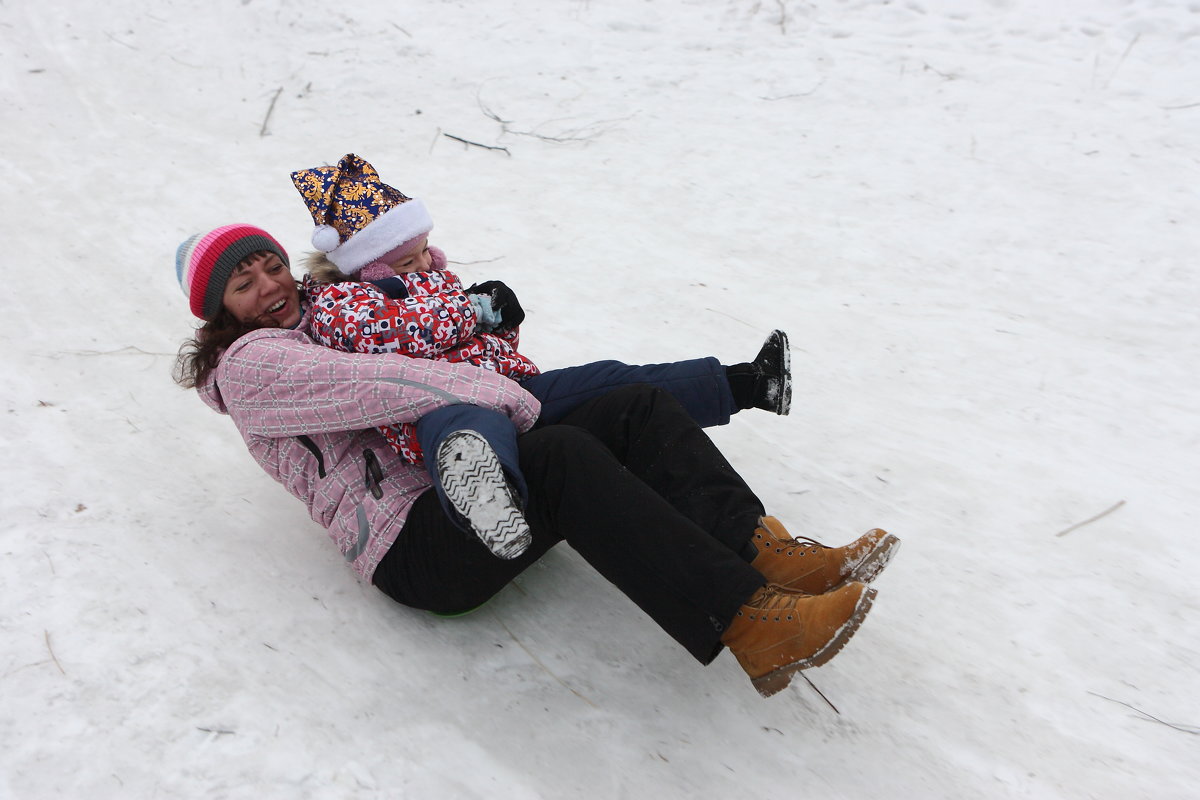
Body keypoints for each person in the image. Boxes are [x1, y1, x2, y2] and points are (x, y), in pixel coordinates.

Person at [173, 223, 900, 698]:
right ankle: (751, 622)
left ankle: (766, 554)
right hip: (415, 545)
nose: (270, 285)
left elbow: (411, 301)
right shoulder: (253, 366)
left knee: (631, 405)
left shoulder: (334, 313)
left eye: (272, 266)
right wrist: (510, 399)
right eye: (244, 283)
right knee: (558, 453)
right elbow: (386, 385)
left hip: (473, 480)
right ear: (218, 313)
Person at [288, 153, 792, 562]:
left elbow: (484, 347)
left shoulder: (434, 284)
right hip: (436, 407)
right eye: (406, 259)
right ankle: (489, 502)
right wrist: (471, 312)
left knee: (612, 381)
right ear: (365, 266)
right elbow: (388, 337)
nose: (424, 262)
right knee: (468, 435)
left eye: (425, 250)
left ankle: (749, 383)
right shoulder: (340, 304)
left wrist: (502, 321)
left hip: (513, 390)